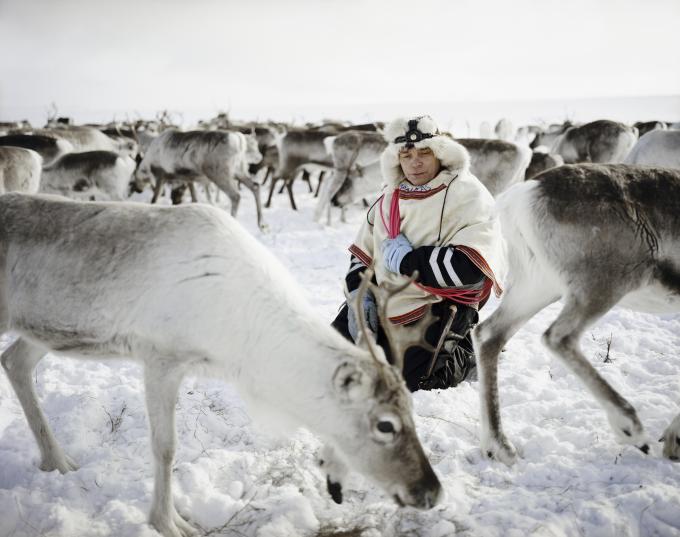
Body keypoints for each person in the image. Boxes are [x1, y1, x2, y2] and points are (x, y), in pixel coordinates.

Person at [332, 115, 507, 391]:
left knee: (412, 384)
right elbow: (363, 255)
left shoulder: (468, 194)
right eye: (406, 154)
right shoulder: (389, 197)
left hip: (438, 304)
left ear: (440, 153)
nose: (415, 162)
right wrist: (359, 295)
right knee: (331, 361)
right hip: (383, 302)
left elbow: (471, 269)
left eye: (425, 152)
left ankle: (467, 352)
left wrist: (408, 261)